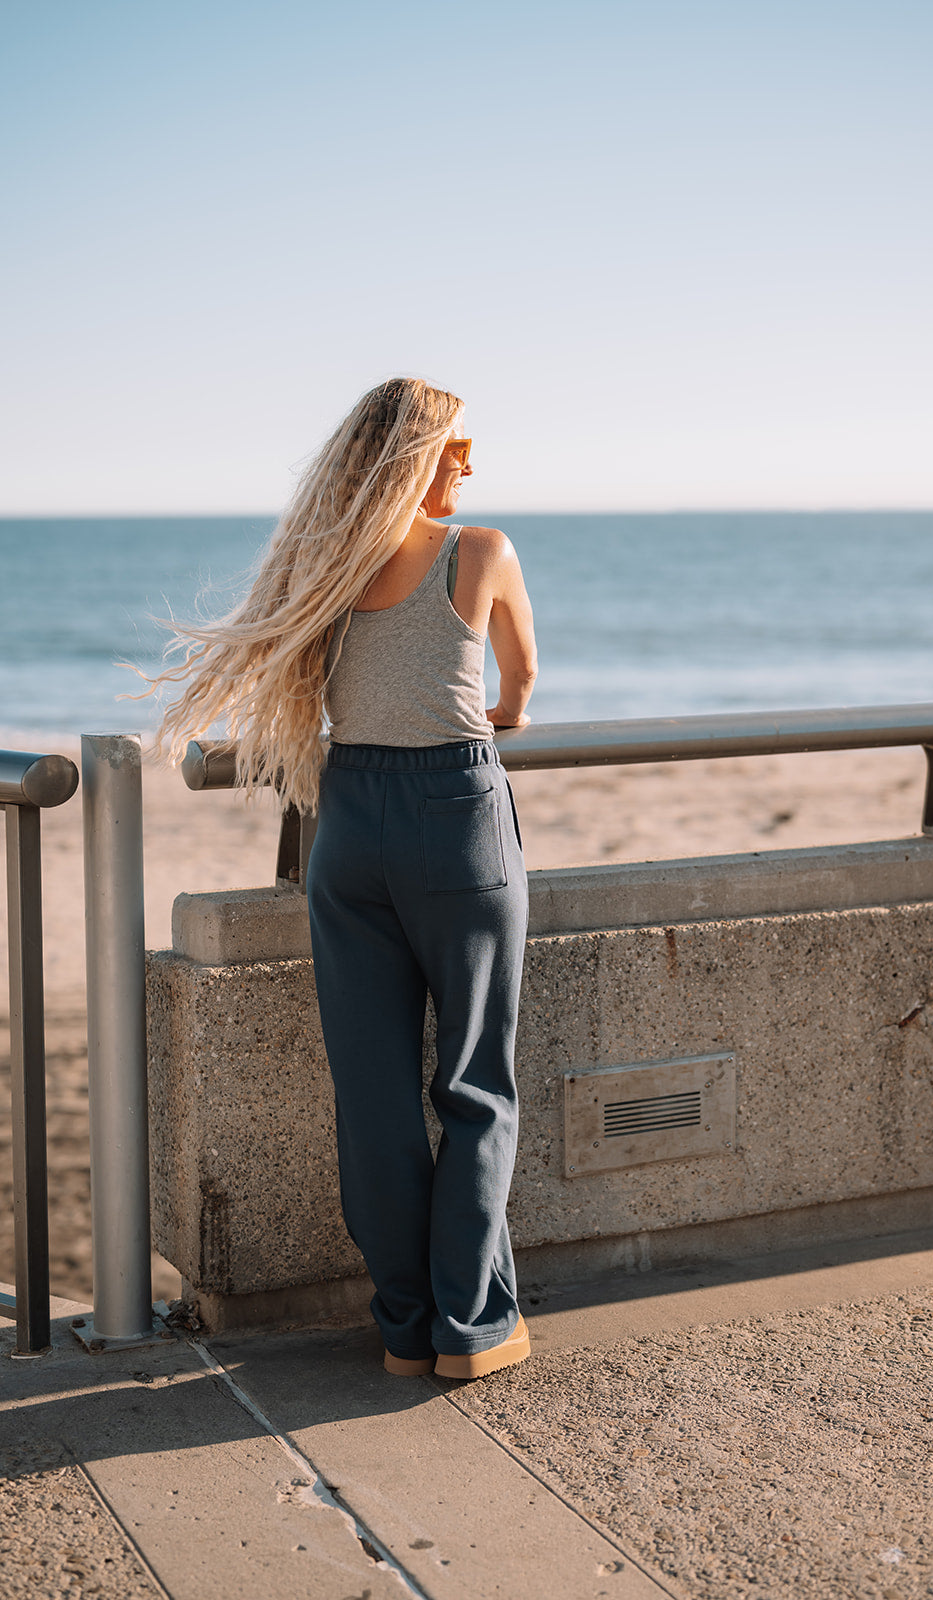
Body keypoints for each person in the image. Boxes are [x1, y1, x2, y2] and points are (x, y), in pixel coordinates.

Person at [155, 377, 538, 1379]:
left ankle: (403, 1329)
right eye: (455, 445)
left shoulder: (320, 570)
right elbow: (520, 682)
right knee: (473, 1081)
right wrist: (499, 718)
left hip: (348, 824)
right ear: (413, 457)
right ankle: (471, 1326)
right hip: (455, 819)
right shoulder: (481, 552)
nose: (467, 462)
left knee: (371, 1094)